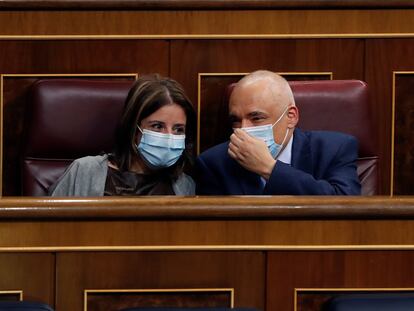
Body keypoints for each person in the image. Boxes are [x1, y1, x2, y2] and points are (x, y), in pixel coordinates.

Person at [195, 70, 361, 195]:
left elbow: (345, 206)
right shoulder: (214, 163)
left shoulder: (334, 149)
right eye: (236, 120)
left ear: (291, 117)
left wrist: (269, 168)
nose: (244, 129)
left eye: (257, 118)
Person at [49, 74, 196, 196]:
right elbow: (49, 228)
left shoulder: (184, 186)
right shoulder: (85, 171)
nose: (169, 137)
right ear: (134, 127)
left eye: (178, 129)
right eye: (157, 126)